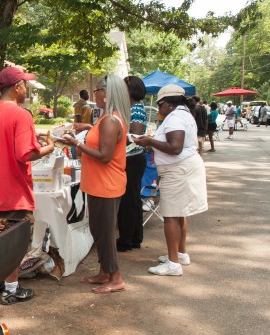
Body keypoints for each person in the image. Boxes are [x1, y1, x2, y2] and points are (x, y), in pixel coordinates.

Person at [0, 66, 55, 305]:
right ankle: (11, 289)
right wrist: (48, 147)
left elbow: (0, 141)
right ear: (17, 87)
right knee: (14, 242)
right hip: (12, 190)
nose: (26, 89)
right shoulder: (21, 115)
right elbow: (24, 154)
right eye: (25, 85)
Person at [59, 74, 128, 293]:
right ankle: (104, 271)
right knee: (98, 230)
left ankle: (116, 278)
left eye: (97, 90)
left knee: (105, 233)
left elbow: (104, 155)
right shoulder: (105, 118)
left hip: (107, 185)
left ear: (106, 94)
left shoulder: (110, 120)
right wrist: (84, 131)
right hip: (98, 184)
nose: (94, 94)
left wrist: (75, 142)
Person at [132, 85, 208, 276]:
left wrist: (149, 141)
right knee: (179, 213)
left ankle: (173, 264)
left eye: (160, 106)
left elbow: (175, 147)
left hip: (178, 171)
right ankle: (180, 254)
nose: (159, 110)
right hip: (182, 168)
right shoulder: (184, 114)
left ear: (167, 103)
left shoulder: (175, 117)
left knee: (171, 215)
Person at [116, 76, 147, 252]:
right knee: (133, 199)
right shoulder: (133, 108)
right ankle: (135, 236)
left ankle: (126, 239)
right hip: (133, 158)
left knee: (128, 200)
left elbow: (135, 136)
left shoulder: (135, 109)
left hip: (132, 158)